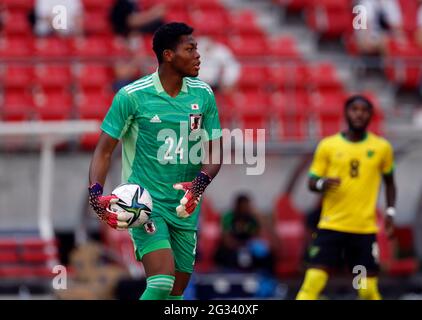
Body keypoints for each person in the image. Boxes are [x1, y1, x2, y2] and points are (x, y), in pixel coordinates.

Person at [88, 22, 222, 300]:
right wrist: (95, 195)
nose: (198, 55)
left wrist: (197, 186)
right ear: (168, 55)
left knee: (175, 294)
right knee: (160, 283)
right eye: (190, 48)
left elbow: (215, 153)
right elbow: (103, 151)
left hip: (185, 206)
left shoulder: (204, 94)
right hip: (145, 204)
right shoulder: (132, 96)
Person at [296, 95, 397, 300]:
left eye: (364, 110)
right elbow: (311, 182)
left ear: (370, 115)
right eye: (354, 109)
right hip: (331, 227)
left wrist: (390, 212)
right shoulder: (328, 145)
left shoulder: (381, 148)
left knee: (366, 290)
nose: (359, 114)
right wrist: (323, 183)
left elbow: (389, 182)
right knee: (311, 285)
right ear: (346, 113)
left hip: (363, 231)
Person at [214, 194, 274, 274]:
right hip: (233, 248)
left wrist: (259, 218)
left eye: (248, 206)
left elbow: (259, 236)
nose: (246, 209)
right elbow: (226, 240)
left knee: (265, 254)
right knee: (224, 255)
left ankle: (263, 276)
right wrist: (240, 246)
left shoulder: (252, 218)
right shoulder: (229, 217)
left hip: (248, 246)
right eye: (244, 206)